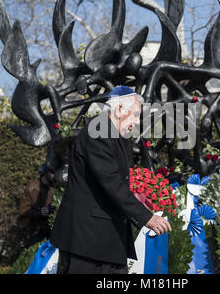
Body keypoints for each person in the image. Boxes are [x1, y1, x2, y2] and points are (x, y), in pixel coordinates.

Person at [50, 86, 171, 274]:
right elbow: (111, 183)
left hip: (102, 242)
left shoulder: (111, 133)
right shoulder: (99, 131)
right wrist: (147, 217)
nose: (136, 122)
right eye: (135, 115)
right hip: (88, 242)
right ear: (120, 109)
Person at [18, 163, 56, 247]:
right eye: (52, 172)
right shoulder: (32, 188)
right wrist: (40, 212)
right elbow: (23, 211)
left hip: (54, 230)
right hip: (37, 232)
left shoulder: (56, 186)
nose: (54, 175)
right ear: (46, 172)